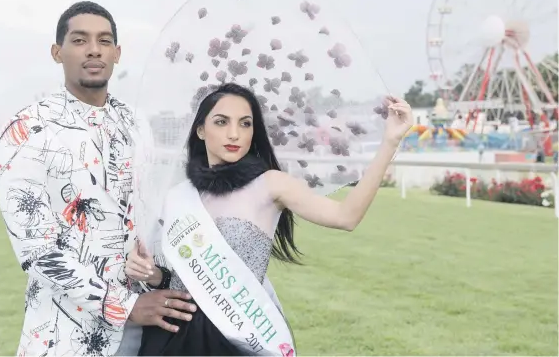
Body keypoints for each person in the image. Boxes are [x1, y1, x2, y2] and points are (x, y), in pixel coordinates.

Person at [125, 83, 413, 355]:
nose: (234, 134)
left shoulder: (270, 184)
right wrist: (155, 276)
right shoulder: (179, 196)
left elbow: (346, 216)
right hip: (171, 336)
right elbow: (181, 278)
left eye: (245, 123)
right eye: (222, 122)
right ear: (200, 129)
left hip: (234, 339)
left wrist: (390, 142)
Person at [0, 1, 196, 357]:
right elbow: (38, 251)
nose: (93, 49)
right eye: (79, 40)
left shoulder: (135, 125)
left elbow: (147, 219)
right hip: (64, 336)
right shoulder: (27, 131)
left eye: (104, 40)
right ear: (57, 52)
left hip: (142, 332)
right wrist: (124, 306)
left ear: (117, 53)